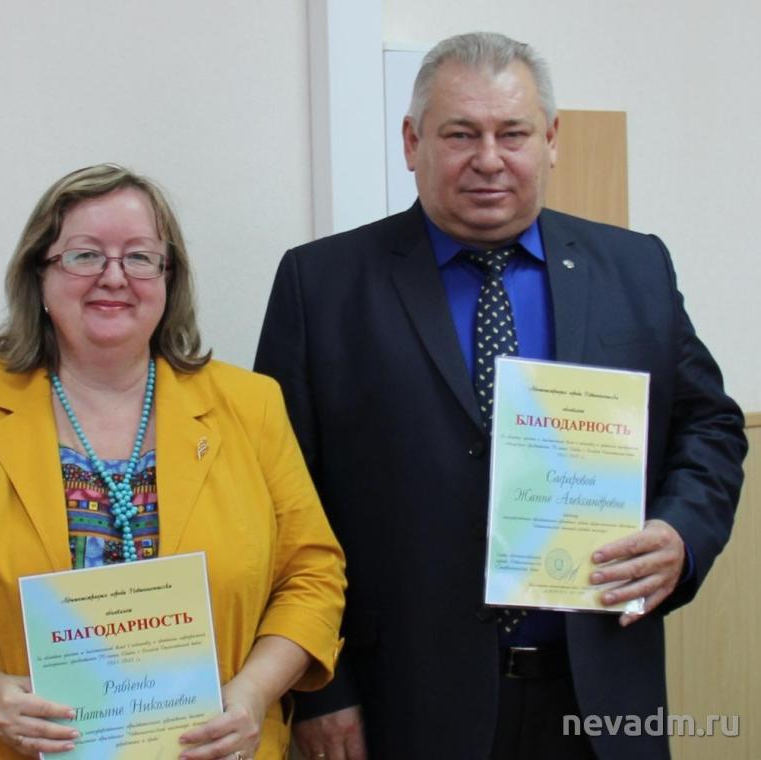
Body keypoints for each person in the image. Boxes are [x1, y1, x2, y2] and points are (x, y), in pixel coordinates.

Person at [255, 32, 747, 760]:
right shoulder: (322, 285)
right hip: (404, 703)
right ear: (412, 142)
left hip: (601, 692)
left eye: (512, 133)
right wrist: (321, 687)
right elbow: (278, 498)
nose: (489, 159)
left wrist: (681, 534)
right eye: (460, 134)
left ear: (550, 140)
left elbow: (709, 427)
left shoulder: (635, 267)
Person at [0, 163, 345, 760]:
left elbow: (312, 577)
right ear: (39, 273)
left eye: (140, 257)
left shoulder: (250, 405)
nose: (114, 277)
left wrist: (252, 693)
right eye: (85, 255)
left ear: (168, 278)